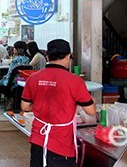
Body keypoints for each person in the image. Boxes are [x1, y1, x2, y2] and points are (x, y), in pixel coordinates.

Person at [21, 39, 95, 167]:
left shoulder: (33, 78)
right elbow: (91, 111)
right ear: (68, 56)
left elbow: (25, 106)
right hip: (61, 144)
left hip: (38, 140)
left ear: (48, 57)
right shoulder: (75, 81)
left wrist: (41, 105)